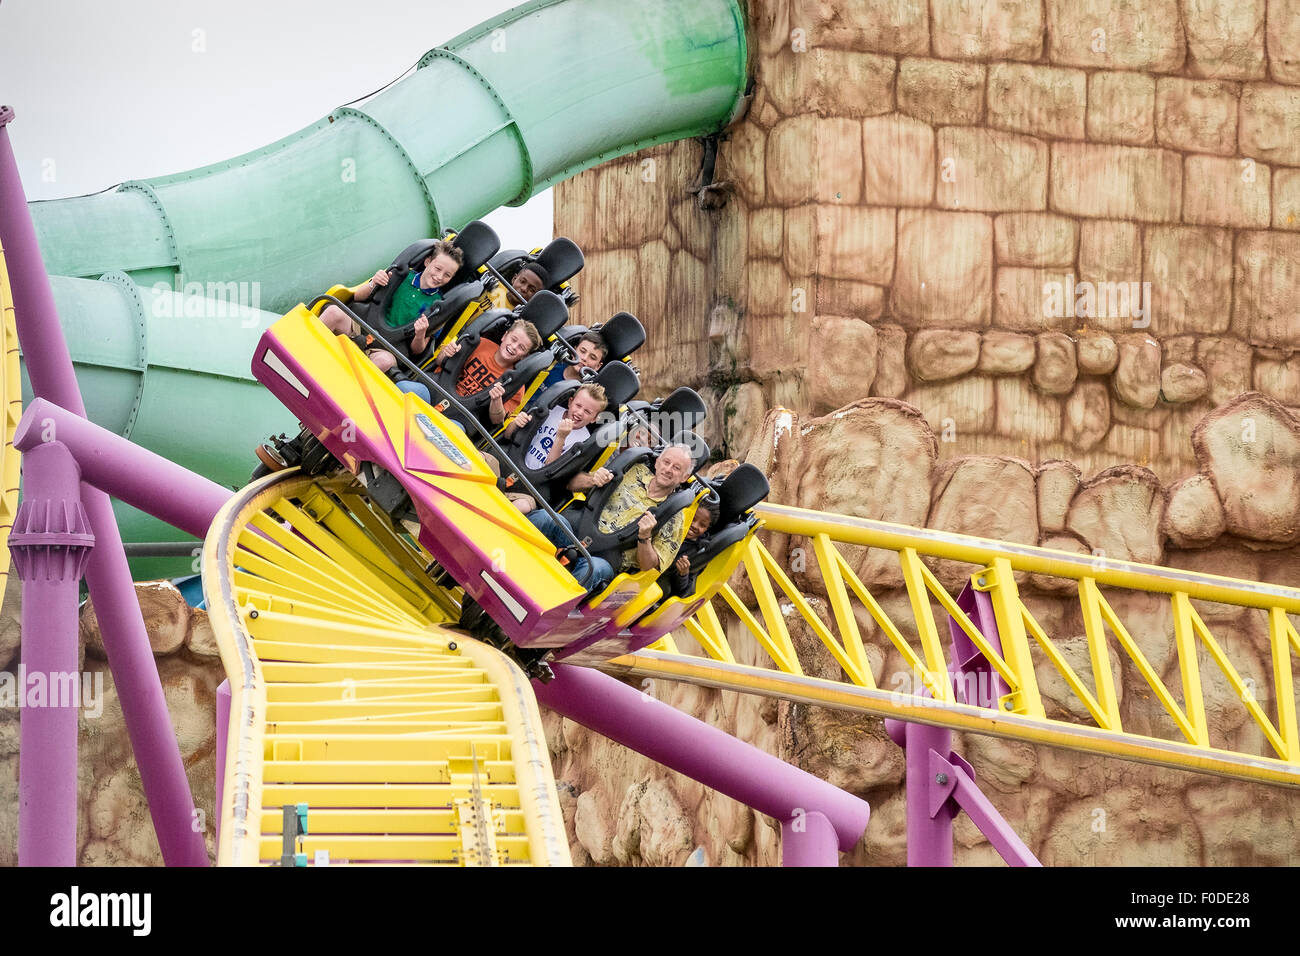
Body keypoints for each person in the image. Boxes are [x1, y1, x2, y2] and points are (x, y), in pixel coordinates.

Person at [527, 444, 694, 594]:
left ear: (684, 477)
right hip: (577, 532)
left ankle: (548, 599)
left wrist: (645, 537)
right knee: (544, 518)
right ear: (657, 462)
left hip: (607, 557)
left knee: (592, 570)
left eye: (677, 468)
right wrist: (594, 479)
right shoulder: (632, 471)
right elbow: (571, 484)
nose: (668, 469)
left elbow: (648, 566)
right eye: (666, 462)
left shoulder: (674, 516)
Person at [319, 240, 464, 372]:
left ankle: (343, 378)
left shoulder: (439, 308)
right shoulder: (400, 275)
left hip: (388, 346)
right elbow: (358, 296)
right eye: (438, 269)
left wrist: (420, 334)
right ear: (427, 262)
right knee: (333, 312)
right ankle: (305, 350)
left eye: (447, 275)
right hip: (362, 325)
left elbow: (417, 351)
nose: (439, 277)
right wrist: (373, 283)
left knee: (385, 361)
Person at [396, 318, 541, 427]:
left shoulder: (515, 384)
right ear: (504, 336)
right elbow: (440, 361)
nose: (514, 347)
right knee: (403, 388)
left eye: (521, 347)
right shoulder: (480, 344)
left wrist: (496, 400)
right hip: (437, 391)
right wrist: (447, 353)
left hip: (461, 415)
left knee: (452, 435)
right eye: (513, 339)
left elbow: (497, 421)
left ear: (524, 356)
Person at [499, 383, 608, 513]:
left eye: (587, 412)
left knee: (523, 506)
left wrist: (560, 438)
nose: (579, 413)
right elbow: (508, 435)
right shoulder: (551, 412)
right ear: (570, 402)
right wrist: (517, 423)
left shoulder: (583, 440)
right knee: (482, 457)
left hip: (532, 487)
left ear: (594, 419)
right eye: (578, 406)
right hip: (510, 464)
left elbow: (551, 469)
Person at [658, 499, 719, 599]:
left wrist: (683, 574)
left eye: (702, 525)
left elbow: (681, 590)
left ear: (707, 528)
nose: (695, 526)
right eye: (693, 518)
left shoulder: (700, 552)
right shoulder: (670, 524)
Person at [538, 330, 608, 392]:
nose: (584, 358)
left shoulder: (582, 393)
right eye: (582, 351)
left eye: (592, 357)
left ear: (598, 366)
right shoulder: (550, 363)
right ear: (574, 350)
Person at [485, 262, 550, 311]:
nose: (524, 289)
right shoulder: (491, 283)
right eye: (522, 281)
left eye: (532, 290)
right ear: (514, 279)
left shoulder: (519, 320)